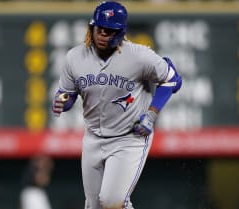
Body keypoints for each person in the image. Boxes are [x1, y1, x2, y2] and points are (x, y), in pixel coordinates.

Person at [51, 1, 182, 209]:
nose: (102, 33)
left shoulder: (139, 55)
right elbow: (67, 93)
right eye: (99, 28)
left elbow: (173, 79)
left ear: (121, 32)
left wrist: (151, 115)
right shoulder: (75, 57)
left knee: (112, 202)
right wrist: (62, 101)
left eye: (109, 30)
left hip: (129, 138)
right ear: (91, 27)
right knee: (94, 206)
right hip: (93, 137)